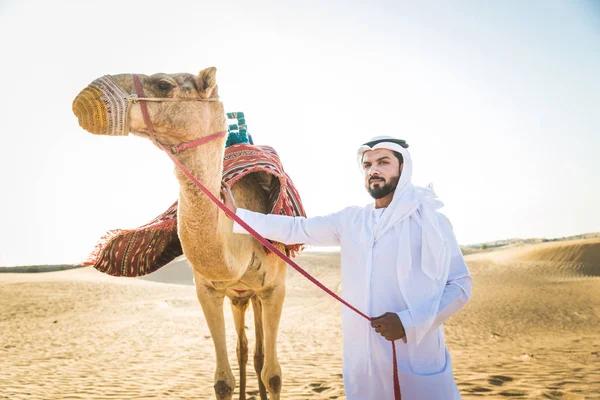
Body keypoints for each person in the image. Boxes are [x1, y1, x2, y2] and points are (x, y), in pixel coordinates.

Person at [220, 136, 472, 399]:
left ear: (403, 168)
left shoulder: (431, 221)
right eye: (367, 165)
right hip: (364, 363)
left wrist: (408, 322)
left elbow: (460, 285)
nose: (373, 170)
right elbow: (297, 229)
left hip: (417, 353)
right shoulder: (352, 220)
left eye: (383, 162)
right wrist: (237, 214)